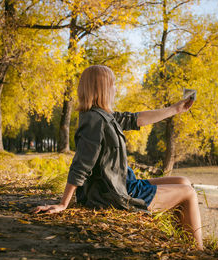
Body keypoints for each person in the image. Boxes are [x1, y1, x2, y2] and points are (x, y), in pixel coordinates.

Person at [33, 65, 203, 250]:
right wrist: (63, 203)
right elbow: (81, 164)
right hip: (116, 195)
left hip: (122, 184)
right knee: (189, 193)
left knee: (183, 180)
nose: (115, 88)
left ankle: (181, 241)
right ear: (103, 88)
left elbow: (137, 119)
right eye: (113, 84)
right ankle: (198, 252)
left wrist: (175, 109)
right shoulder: (94, 121)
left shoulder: (104, 116)